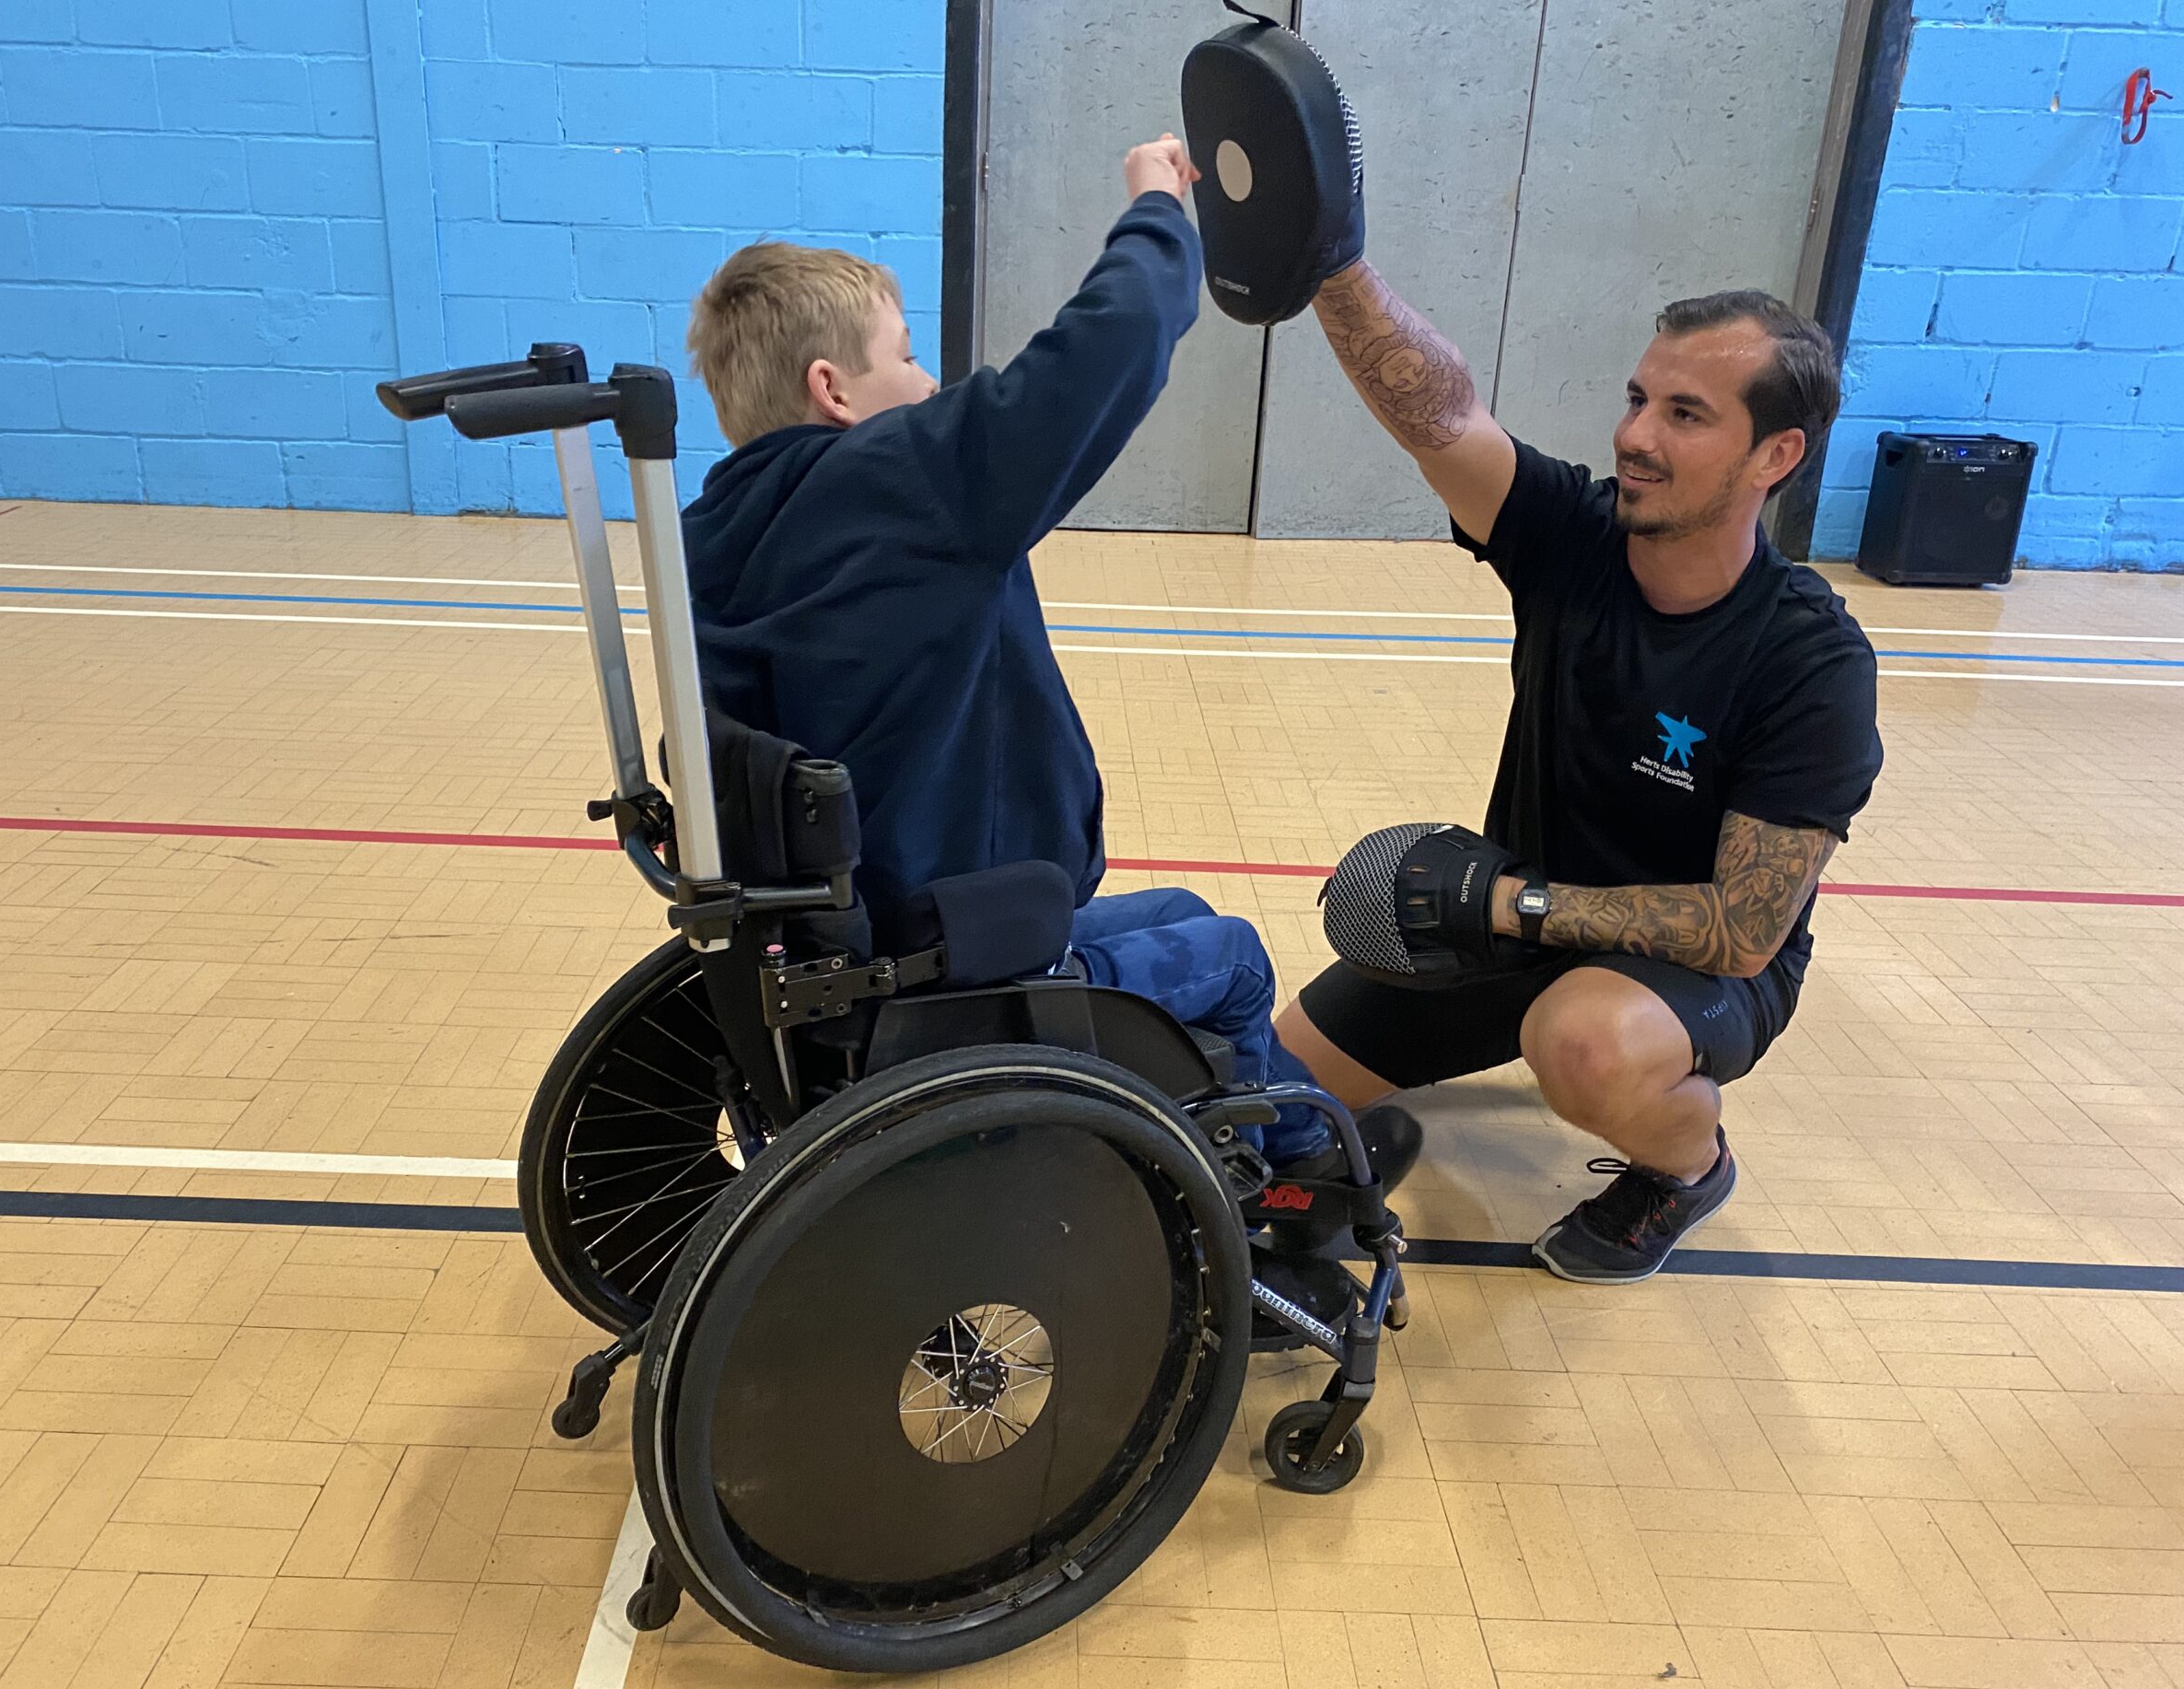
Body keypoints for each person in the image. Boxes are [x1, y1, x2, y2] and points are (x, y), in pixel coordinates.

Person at [678, 134, 1334, 1171]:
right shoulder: (904, 480)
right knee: (1236, 956)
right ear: (832, 390)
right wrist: (1158, 206)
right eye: (903, 355)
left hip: (844, 941)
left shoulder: (708, 531)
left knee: (1181, 911)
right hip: (959, 955)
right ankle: (1289, 1177)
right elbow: (1107, 344)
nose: (930, 379)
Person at [1276, 268, 1884, 1282]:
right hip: (1510, 919)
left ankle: (1687, 1165)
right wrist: (1332, 269)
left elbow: (1739, 931)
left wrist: (1520, 905)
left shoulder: (1809, 661)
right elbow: (1437, 414)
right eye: (1639, 400)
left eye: (1685, 414)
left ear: (1775, 454)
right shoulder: (1571, 538)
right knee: (1276, 1088)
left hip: (1687, 977)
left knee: (1584, 1042)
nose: (1637, 437)